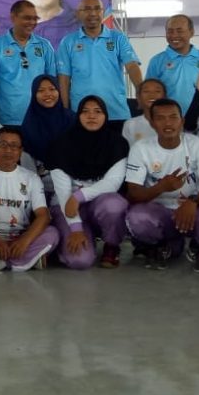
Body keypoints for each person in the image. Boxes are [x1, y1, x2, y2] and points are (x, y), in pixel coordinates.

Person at [124, 98, 199, 272]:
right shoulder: (141, 148)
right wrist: (161, 187)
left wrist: (192, 202)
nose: (168, 123)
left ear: (182, 121)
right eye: (160, 118)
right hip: (160, 211)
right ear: (152, 123)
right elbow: (133, 194)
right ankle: (161, 245)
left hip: (193, 210)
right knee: (136, 218)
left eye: (173, 117)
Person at [47, 96, 130, 269]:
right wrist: (76, 229)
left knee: (114, 204)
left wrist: (78, 196)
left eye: (97, 111)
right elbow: (63, 193)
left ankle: (111, 245)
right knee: (80, 260)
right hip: (65, 206)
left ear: (105, 116)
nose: (91, 116)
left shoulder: (117, 143)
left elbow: (112, 183)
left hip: (96, 204)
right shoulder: (61, 145)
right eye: (85, 111)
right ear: (78, 115)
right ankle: (65, 240)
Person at [0, 126, 59, 272]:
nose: (8, 150)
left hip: (20, 236)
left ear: (21, 151)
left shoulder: (32, 178)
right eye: (3, 145)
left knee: (52, 233)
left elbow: (43, 216)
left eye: (14, 146)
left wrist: (24, 241)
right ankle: (24, 261)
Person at [57, 0, 142, 122]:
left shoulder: (118, 38)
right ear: (78, 14)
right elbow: (64, 79)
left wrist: (141, 92)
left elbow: (131, 66)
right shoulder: (68, 42)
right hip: (82, 115)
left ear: (103, 12)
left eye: (97, 8)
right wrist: (64, 111)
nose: (92, 13)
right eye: (87, 9)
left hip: (116, 112)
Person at [0, 0, 56, 125]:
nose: (32, 22)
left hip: (39, 118)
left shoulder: (45, 45)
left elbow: (53, 82)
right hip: (6, 119)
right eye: (27, 18)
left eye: (35, 18)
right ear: (13, 17)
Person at [144, 15, 199, 115]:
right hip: (168, 118)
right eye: (170, 31)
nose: (174, 35)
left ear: (191, 32)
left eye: (179, 31)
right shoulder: (156, 61)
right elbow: (149, 93)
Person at [20, 75, 75, 171]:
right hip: (38, 176)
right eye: (41, 90)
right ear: (34, 94)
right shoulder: (29, 124)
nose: (48, 94)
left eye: (52, 89)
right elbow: (27, 162)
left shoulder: (71, 119)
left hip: (70, 174)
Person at [121, 79, 166, 147]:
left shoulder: (173, 122)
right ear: (138, 97)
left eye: (157, 91)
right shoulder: (130, 124)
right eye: (146, 91)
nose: (152, 95)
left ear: (164, 96)